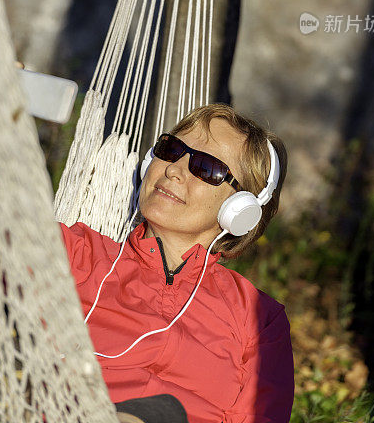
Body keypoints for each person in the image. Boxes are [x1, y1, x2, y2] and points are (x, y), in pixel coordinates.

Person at [60, 103, 294, 423]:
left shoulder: (257, 319)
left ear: (242, 209)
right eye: (170, 150)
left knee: (165, 412)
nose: (174, 170)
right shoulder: (77, 254)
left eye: (206, 168)